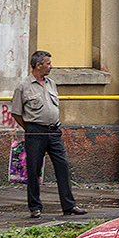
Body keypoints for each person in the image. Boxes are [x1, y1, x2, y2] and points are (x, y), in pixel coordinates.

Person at [10, 51, 86, 218]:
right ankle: (35, 207)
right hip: (35, 132)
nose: (51, 67)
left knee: (63, 166)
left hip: (54, 132)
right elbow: (16, 113)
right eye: (48, 63)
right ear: (39, 65)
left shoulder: (51, 83)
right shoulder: (23, 86)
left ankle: (69, 205)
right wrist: (29, 129)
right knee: (34, 169)